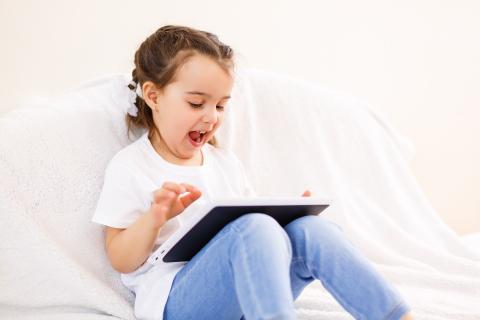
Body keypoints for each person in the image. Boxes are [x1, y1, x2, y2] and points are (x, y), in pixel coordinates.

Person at [92, 25, 414, 320]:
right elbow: (120, 258)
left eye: (220, 106)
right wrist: (156, 217)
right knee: (254, 227)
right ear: (153, 96)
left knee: (311, 231)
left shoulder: (224, 164)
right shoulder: (131, 166)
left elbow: (258, 239)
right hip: (178, 301)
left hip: (247, 294)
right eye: (196, 103)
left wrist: (288, 216)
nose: (211, 117)